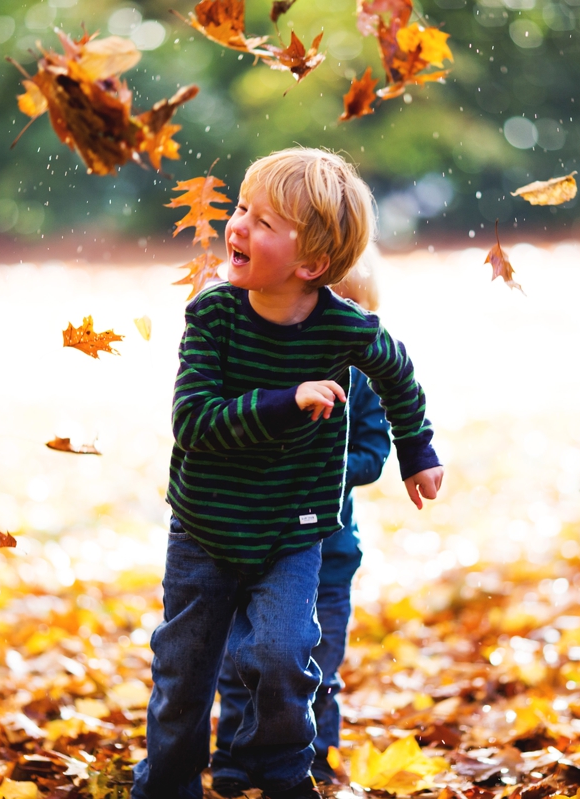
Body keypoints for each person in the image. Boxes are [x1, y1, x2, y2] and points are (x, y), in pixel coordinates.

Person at [131, 149, 444, 799]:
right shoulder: (213, 317)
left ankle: (280, 773)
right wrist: (286, 401)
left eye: (263, 221)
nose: (238, 226)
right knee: (185, 669)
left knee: (282, 653)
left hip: (295, 530)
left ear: (311, 264)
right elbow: (193, 422)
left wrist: (417, 450)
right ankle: (168, 783)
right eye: (241, 208)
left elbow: (397, 373)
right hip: (206, 527)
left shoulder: (342, 328)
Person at [210, 247, 392, 794]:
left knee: (316, 667)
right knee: (244, 657)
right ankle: (236, 756)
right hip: (256, 548)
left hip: (328, 557)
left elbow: (374, 454)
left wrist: (314, 464)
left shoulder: (365, 384)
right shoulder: (265, 372)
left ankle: (313, 759)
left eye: (347, 312)